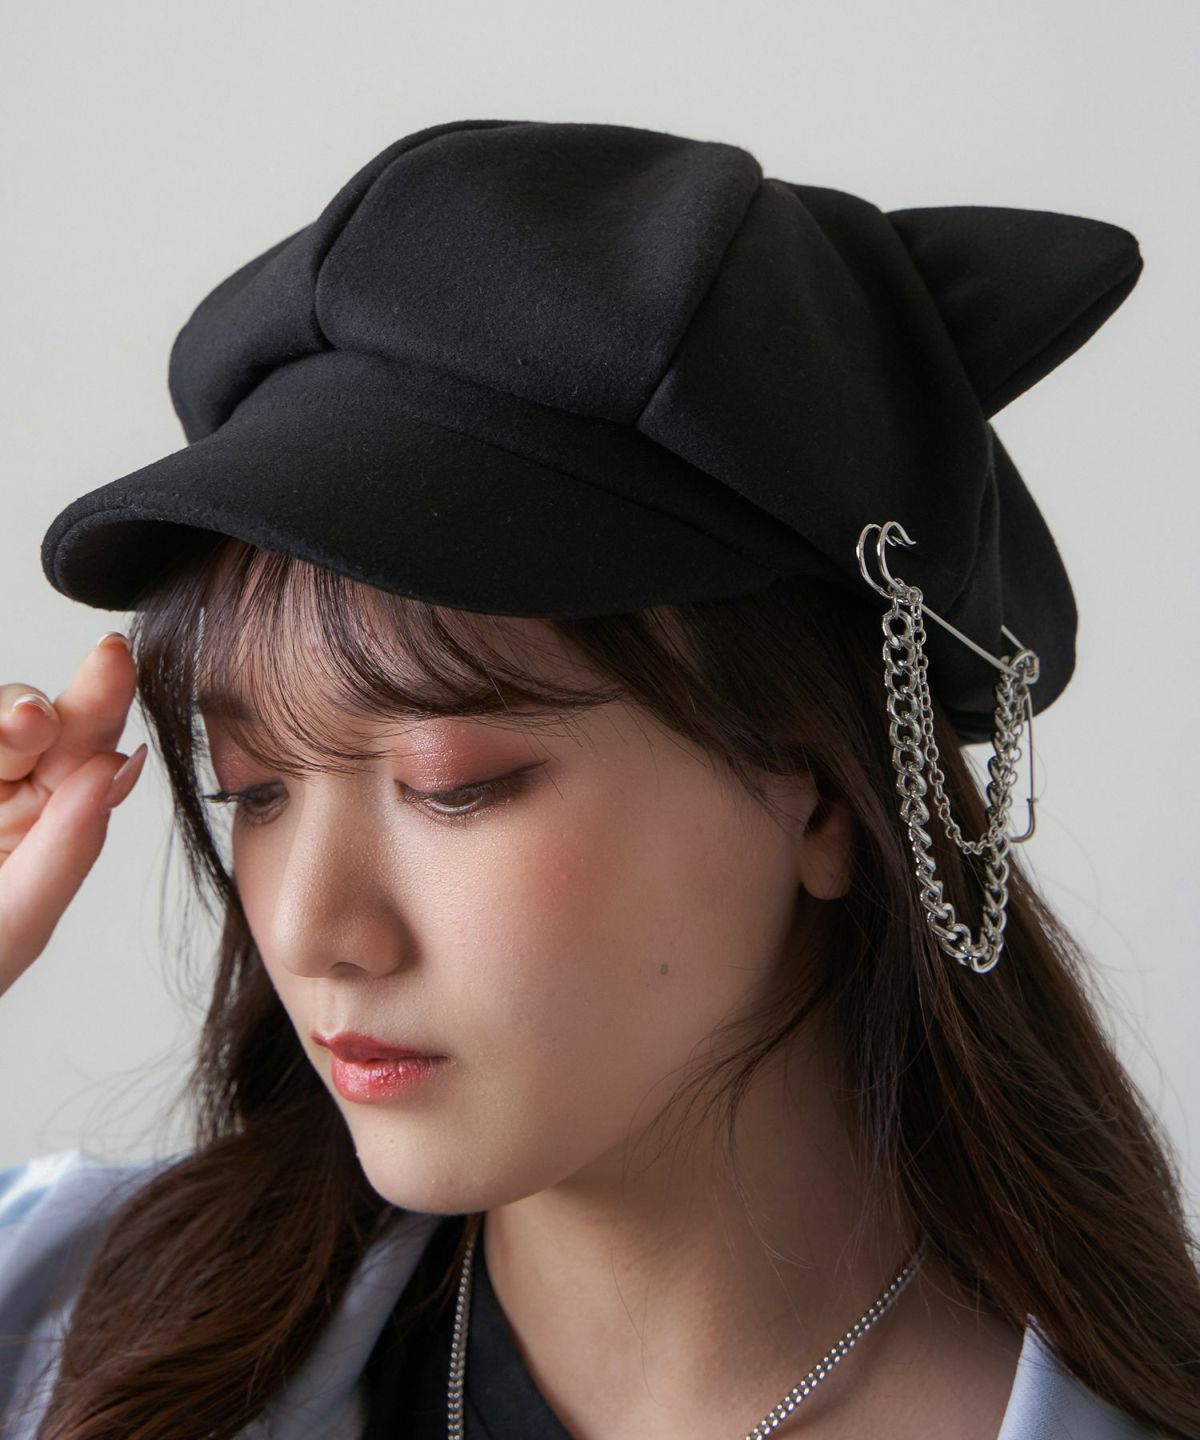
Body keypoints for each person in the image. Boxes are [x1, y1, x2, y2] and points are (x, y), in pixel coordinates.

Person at [1, 118, 1196, 1439]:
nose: (311, 929)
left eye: (453, 785)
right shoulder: (61, 1334)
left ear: (819, 788)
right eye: (254, 789)